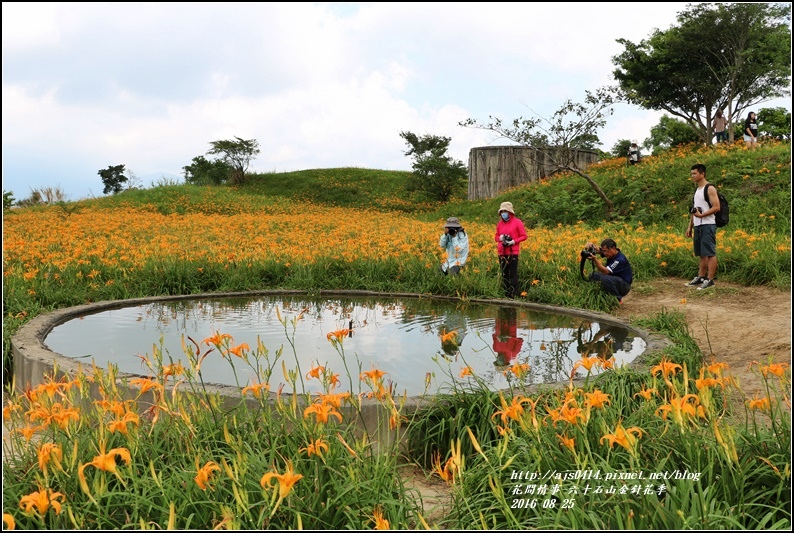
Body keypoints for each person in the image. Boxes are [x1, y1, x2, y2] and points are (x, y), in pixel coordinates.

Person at [685, 163, 720, 290]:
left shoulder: (709, 188)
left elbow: (717, 207)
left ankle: (710, 279)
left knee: (710, 252)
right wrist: (690, 225)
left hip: (708, 224)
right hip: (698, 225)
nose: (692, 176)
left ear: (702, 174)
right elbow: (695, 210)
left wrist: (702, 215)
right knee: (701, 253)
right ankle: (701, 276)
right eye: (692, 174)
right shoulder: (697, 190)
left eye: (695, 173)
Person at [494, 202, 528, 299]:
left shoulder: (517, 222)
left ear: (510, 212)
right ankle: (505, 293)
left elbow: (524, 236)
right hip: (501, 252)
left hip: (513, 251)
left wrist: (513, 241)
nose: (503, 213)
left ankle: (514, 294)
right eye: (502, 211)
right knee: (504, 273)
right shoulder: (500, 224)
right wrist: (500, 238)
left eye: (505, 211)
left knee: (513, 273)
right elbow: (496, 237)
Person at [584, 238, 633, 304]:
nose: (605, 253)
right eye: (604, 251)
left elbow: (605, 271)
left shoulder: (619, 260)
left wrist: (595, 260)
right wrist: (592, 247)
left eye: (606, 251)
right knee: (593, 276)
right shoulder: (611, 253)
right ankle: (602, 296)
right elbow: (599, 250)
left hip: (624, 286)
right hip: (615, 280)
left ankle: (617, 299)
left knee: (605, 278)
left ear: (613, 248)